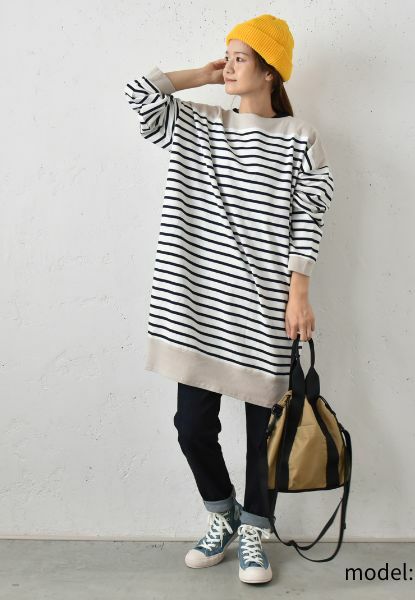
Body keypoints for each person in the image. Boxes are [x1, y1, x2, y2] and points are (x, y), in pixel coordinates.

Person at [124, 13, 334, 585]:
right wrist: (203, 73)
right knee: (191, 426)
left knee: (264, 435)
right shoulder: (200, 124)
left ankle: (255, 531)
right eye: (229, 55)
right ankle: (223, 513)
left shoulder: (300, 137)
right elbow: (139, 95)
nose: (230, 65)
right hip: (196, 306)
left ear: (270, 72)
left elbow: (309, 217)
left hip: (266, 307)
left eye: (241, 58)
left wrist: (299, 294)